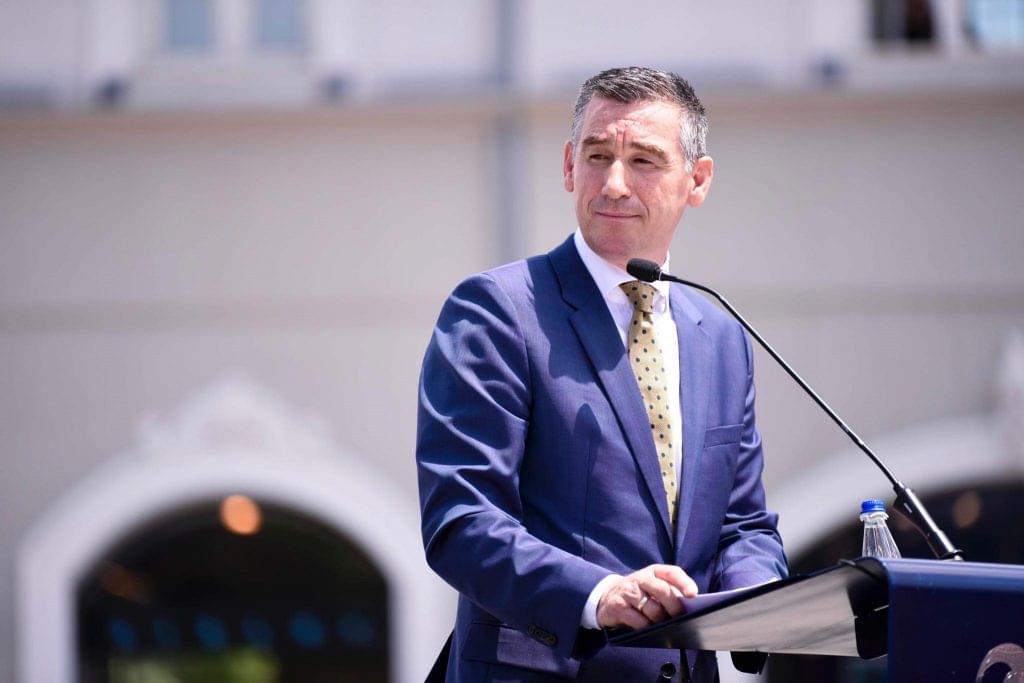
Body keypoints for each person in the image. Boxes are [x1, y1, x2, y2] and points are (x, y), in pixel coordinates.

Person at [417, 66, 787, 683]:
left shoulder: (721, 338)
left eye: (644, 161)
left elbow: (742, 526)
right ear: (569, 166)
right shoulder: (498, 311)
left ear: (697, 180)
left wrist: (757, 602)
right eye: (597, 156)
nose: (614, 184)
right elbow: (462, 520)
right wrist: (599, 595)